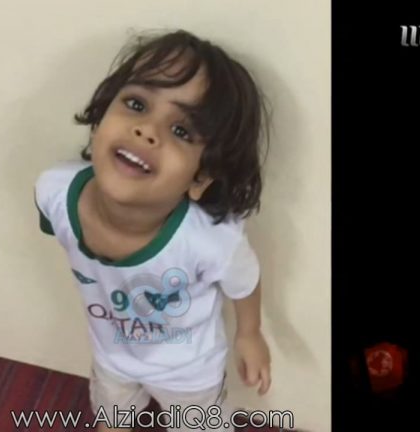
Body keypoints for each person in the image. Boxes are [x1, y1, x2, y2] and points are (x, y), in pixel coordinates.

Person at [35, 29, 271, 431]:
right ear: (100, 118)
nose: (147, 130)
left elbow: (244, 283)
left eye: (182, 131)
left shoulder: (211, 240)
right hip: (112, 357)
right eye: (136, 104)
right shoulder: (54, 193)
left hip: (189, 371)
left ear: (200, 177)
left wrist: (250, 334)